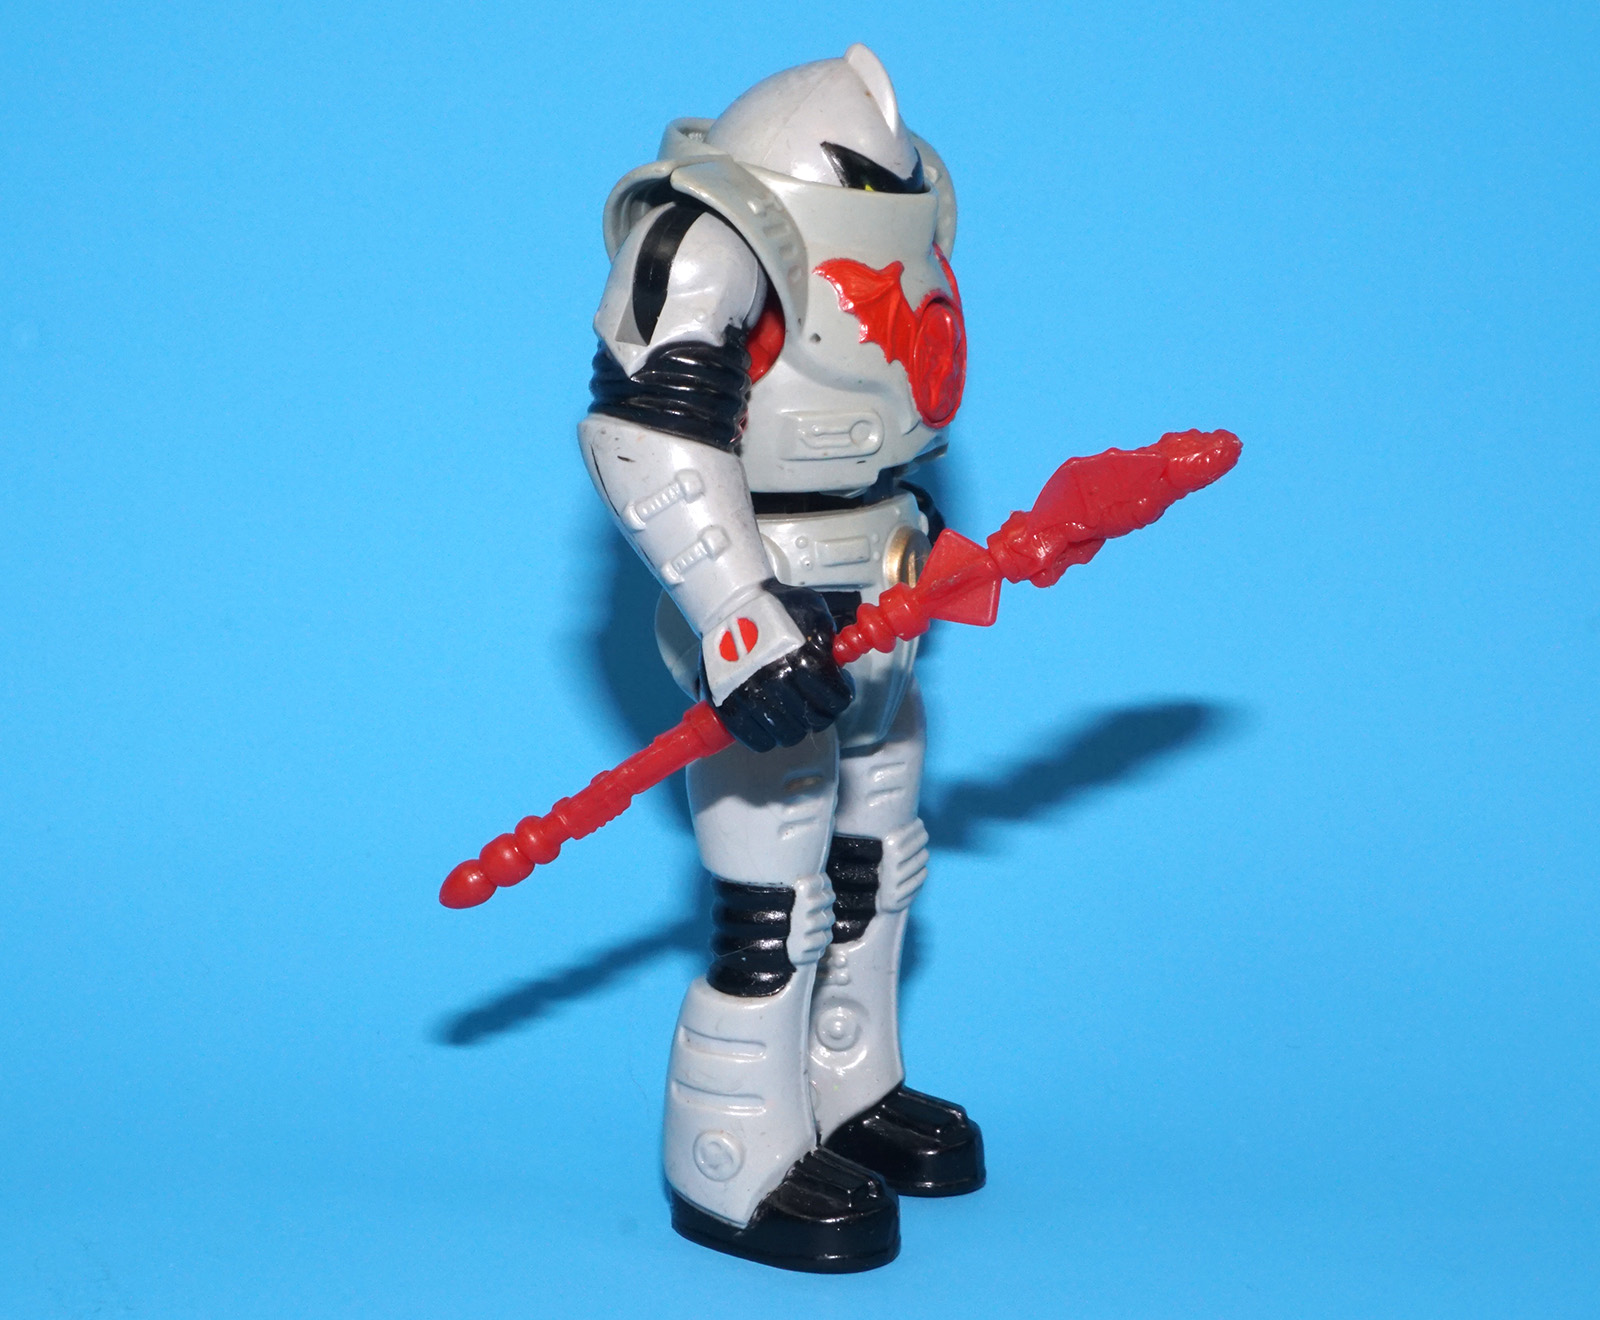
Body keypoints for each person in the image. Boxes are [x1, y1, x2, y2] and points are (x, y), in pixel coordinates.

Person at [578, 44, 981, 1272]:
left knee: (878, 854)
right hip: (767, 592)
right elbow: (645, 432)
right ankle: (733, 1154)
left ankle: (850, 1086)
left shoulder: (913, 206)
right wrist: (736, 614)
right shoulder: (718, 230)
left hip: (884, 575)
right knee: (774, 894)